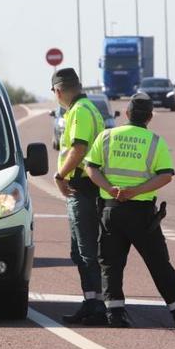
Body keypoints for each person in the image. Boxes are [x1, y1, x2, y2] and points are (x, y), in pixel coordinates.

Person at [84, 93, 175, 328]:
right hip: (141, 213)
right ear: (150, 117)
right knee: (158, 261)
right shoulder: (155, 142)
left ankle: (115, 314)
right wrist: (135, 191)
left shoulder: (106, 136)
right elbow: (165, 175)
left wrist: (111, 189)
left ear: (126, 114)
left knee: (110, 263)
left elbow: (91, 168)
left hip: (111, 210)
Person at [51, 68, 107, 325]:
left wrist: (60, 176)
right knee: (80, 251)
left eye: (54, 92)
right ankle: (91, 301)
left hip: (82, 188)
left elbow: (79, 148)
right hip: (86, 187)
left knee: (86, 251)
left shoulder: (80, 111)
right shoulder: (88, 107)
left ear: (59, 90)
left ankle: (96, 305)